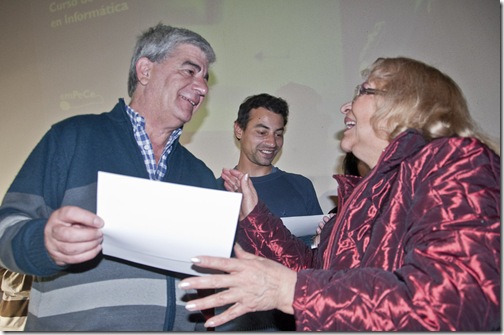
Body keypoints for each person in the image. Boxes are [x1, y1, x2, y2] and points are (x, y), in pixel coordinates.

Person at [178, 57, 501, 331]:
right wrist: (255, 214)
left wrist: (293, 291)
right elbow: (314, 272)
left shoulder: (456, 161)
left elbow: (456, 301)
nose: (346, 106)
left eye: (363, 91)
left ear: (403, 105)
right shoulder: (362, 195)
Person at [0, 23, 218, 331]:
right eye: (190, 71)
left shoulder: (201, 176)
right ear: (145, 70)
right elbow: (5, 229)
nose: (203, 88)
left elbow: (208, 279)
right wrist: (44, 243)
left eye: (205, 78)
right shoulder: (72, 138)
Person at [215, 93, 323, 331]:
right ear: (238, 130)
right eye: (261, 132)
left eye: (279, 133)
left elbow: (317, 259)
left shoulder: (301, 186)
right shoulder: (214, 191)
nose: (272, 142)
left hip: (292, 316)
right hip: (236, 319)